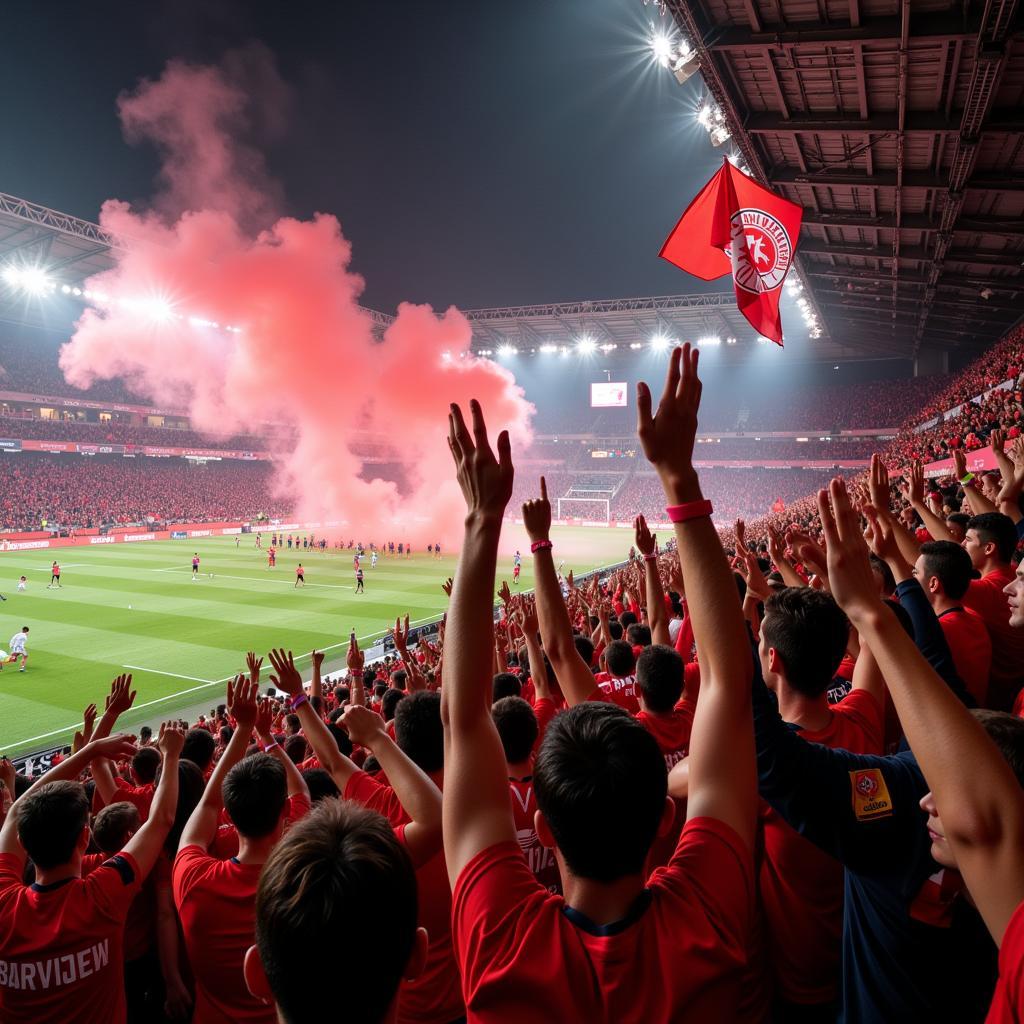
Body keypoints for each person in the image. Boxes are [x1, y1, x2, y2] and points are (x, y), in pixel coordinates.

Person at [441, 346, 757, 1021]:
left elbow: (462, 721)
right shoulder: (709, 916)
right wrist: (677, 475)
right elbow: (732, 685)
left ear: (544, 833)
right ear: (665, 821)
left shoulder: (501, 945)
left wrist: (483, 520)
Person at [0, 724, 183, 1024]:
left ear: (23, 844)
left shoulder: (4, 903)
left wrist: (91, 751)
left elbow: (17, 811)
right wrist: (172, 755)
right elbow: (162, 819)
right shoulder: (103, 895)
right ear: (85, 838)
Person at [173, 677, 310, 1024]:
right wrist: (263, 736)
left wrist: (243, 727)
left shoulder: (194, 880)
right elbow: (301, 793)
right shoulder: (308, 873)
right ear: (284, 812)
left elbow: (205, 807)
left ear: (229, 817)